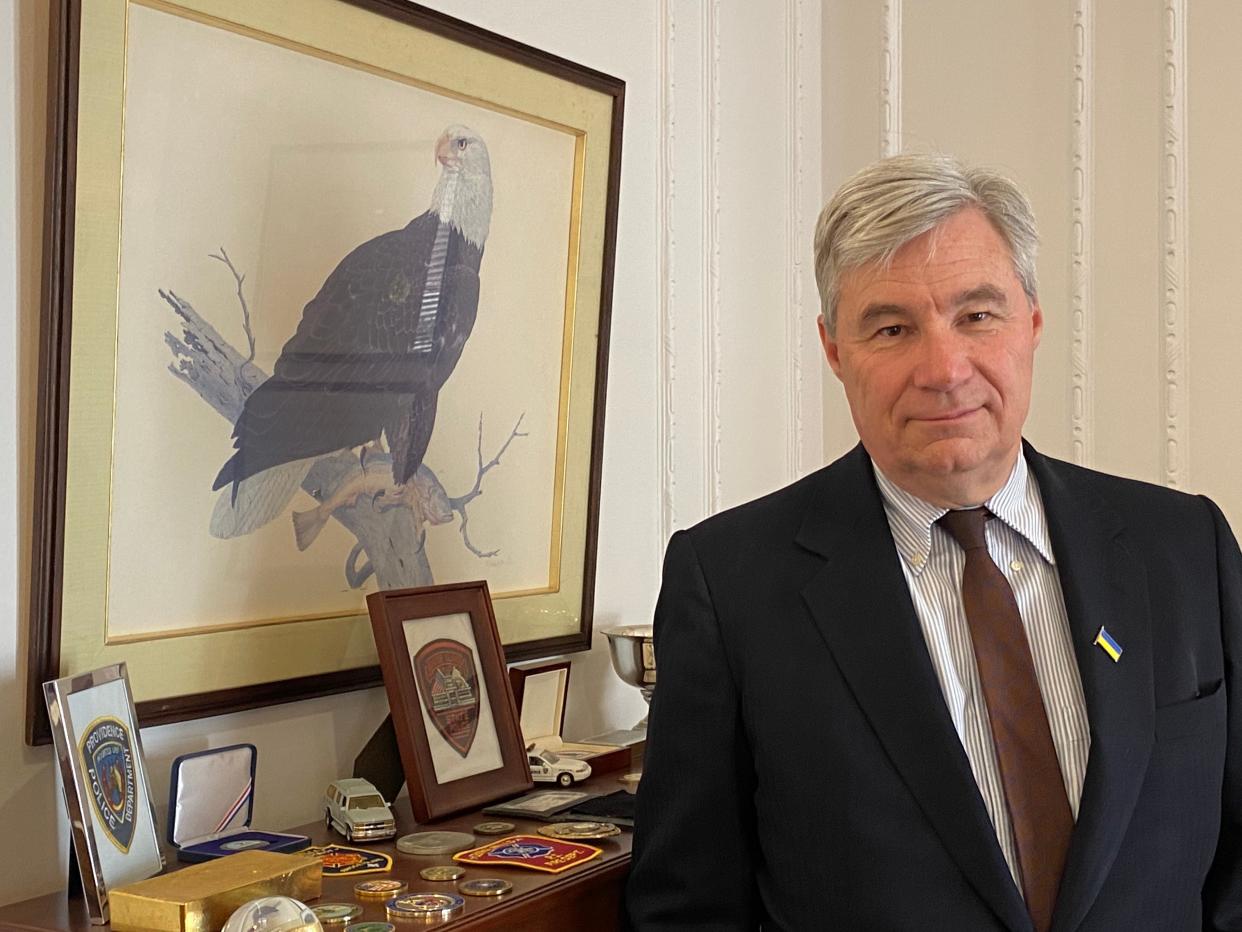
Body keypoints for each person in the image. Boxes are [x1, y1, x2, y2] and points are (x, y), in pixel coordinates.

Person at [625, 153, 1242, 931]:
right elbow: (687, 911)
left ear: (1033, 325)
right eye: (891, 327)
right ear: (834, 351)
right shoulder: (730, 584)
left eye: (978, 316)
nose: (944, 369)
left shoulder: (1185, 549)